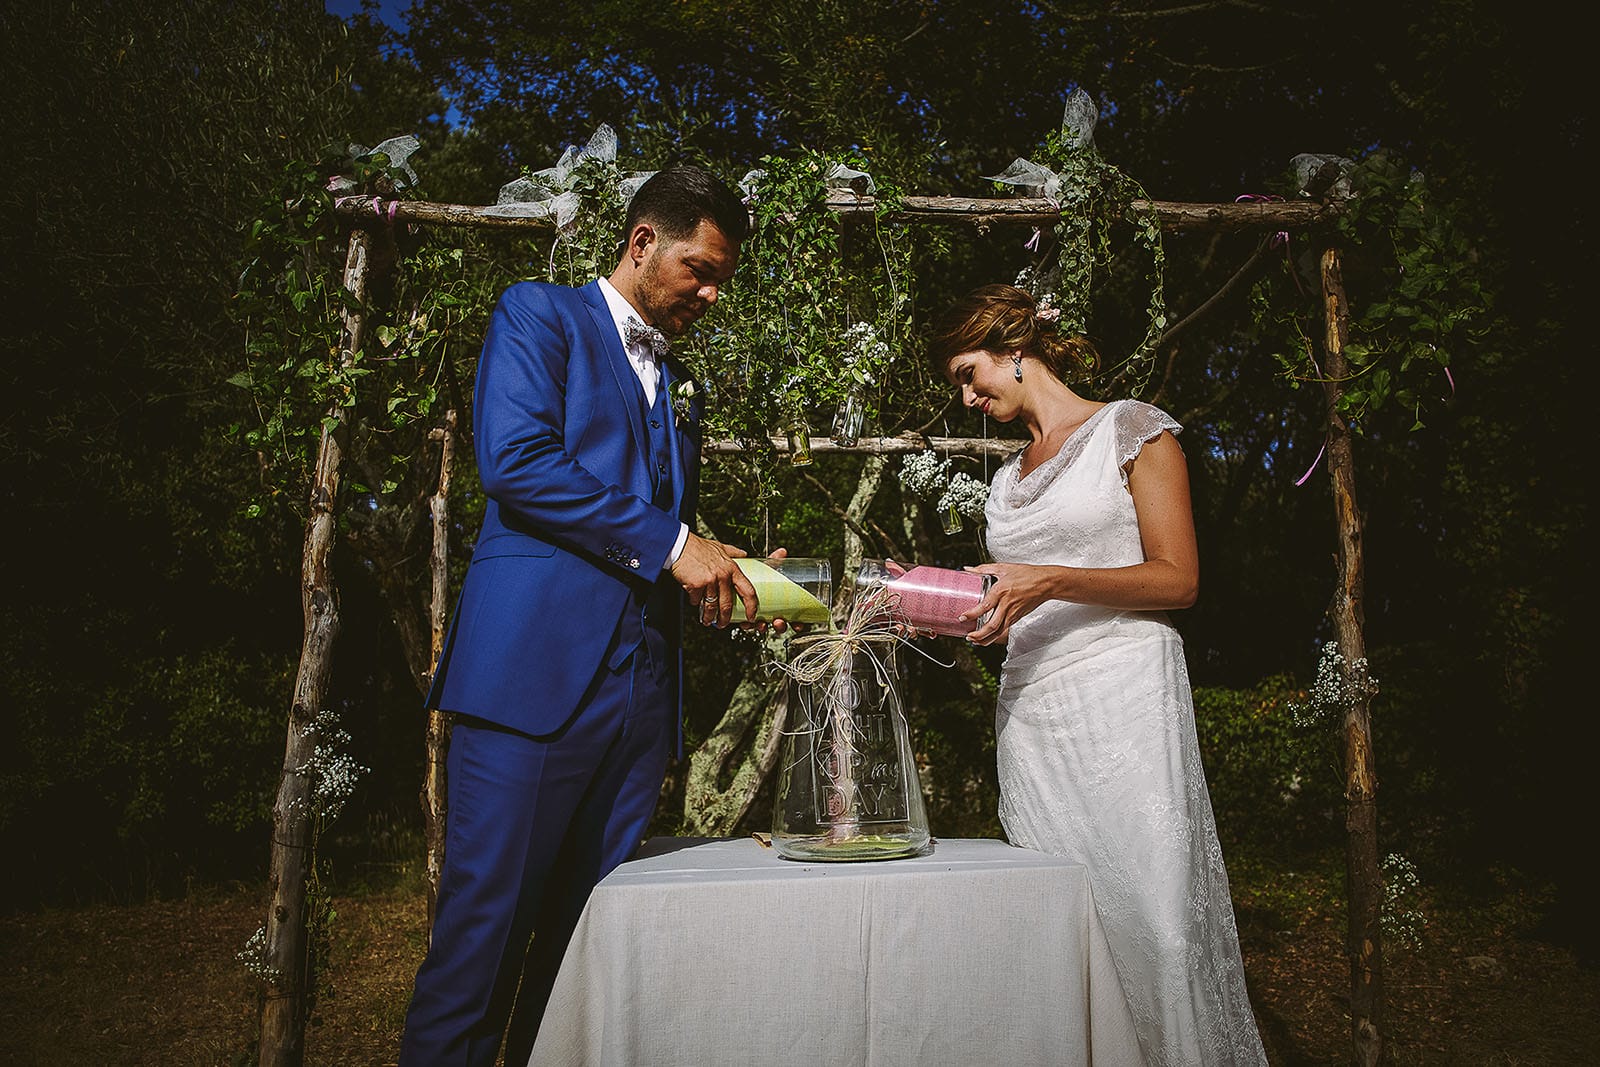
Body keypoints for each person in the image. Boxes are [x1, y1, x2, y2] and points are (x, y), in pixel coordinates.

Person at [400, 165, 768, 1067]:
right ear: (643, 243)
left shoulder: (681, 385)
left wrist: (710, 566)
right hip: (532, 689)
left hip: (639, 709)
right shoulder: (539, 315)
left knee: (581, 961)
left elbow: (642, 527)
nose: (712, 295)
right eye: (700, 269)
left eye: (722, 279)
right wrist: (674, 543)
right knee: (479, 952)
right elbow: (518, 464)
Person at [931, 283, 1268, 1066]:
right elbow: (1020, 595)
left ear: (1015, 348)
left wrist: (1043, 579)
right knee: (1062, 926)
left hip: (1123, 696)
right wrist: (950, 604)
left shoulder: (1133, 430)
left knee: (1157, 923)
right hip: (1033, 717)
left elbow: (1178, 579)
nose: (966, 393)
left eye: (968, 370)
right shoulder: (1006, 481)